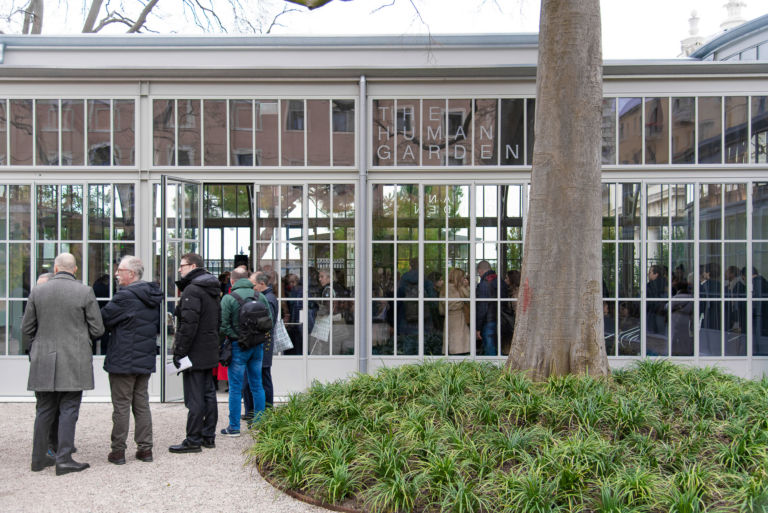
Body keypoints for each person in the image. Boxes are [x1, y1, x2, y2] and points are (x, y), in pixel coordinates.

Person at [24, 253, 104, 475]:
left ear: (56, 269)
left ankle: (39, 459)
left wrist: (39, 343)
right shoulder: (84, 291)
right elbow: (98, 329)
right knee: (69, 408)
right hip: (74, 358)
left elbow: (26, 328)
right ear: (75, 269)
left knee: (44, 409)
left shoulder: (38, 291)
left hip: (43, 358)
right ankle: (64, 458)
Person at [101, 256, 162, 465]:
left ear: (132, 274)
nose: (117, 274)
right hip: (143, 358)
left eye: (120, 270)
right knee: (141, 404)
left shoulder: (124, 296)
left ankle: (118, 451)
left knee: (121, 406)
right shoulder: (151, 296)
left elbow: (104, 320)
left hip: (123, 359)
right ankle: (145, 449)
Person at [169, 253, 220, 453]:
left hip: (195, 351)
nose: (180, 269)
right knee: (208, 394)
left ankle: (193, 439)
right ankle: (208, 436)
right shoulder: (211, 288)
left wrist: (179, 351)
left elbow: (188, 325)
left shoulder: (193, 289)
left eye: (182, 266)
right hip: (208, 348)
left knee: (195, 397)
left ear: (192, 266)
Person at [219, 267, 266, 437]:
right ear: (247, 279)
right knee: (257, 385)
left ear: (232, 281)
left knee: (235, 388)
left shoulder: (228, 299)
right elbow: (269, 320)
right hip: (257, 346)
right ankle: (260, 424)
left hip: (238, 347)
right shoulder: (259, 296)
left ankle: (234, 427)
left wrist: (236, 337)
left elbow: (223, 326)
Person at [252, 271, 278, 408]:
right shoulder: (266, 297)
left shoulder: (268, 299)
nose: (252, 288)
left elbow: (269, 322)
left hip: (265, 344)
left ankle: (268, 408)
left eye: (254, 285)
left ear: (262, 284)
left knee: (264, 376)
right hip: (264, 343)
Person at [439, 268, 470, 355]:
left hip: (448, 317)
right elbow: (469, 298)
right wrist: (467, 286)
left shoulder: (444, 288)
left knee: (450, 341)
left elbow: (441, 308)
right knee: (460, 343)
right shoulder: (460, 288)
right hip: (459, 317)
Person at [476, 260, 502, 356]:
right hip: (501, 319)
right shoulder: (500, 281)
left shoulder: (484, 284)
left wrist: (478, 327)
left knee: (490, 349)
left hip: (488, 321)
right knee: (498, 347)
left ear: (480, 270)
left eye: (478, 273)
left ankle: (493, 370)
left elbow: (482, 307)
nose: (479, 275)